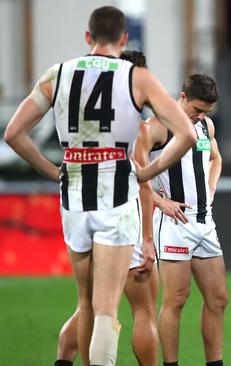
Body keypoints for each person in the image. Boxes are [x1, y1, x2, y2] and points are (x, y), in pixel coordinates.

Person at [3, 6, 196, 366]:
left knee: (85, 302)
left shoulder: (57, 74)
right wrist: (146, 171)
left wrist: (51, 170)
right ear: (124, 39)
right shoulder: (135, 77)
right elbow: (185, 132)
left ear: (87, 37)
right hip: (115, 191)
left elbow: (14, 134)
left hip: (73, 192)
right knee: (108, 307)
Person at [55, 50, 159, 366]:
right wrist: (146, 237)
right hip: (123, 221)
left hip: (83, 211)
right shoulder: (135, 127)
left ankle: (63, 360)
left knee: (87, 305)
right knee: (142, 311)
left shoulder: (90, 123)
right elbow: (142, 182)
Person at [134, 74, 226, 366]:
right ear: (182, 97)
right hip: (173, 225)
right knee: (176, 300)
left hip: (204, 221)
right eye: (197, 109)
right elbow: (134, 173)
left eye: (206, 112)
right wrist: (161, 202)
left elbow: (215, 158)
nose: (200, 116)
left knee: (218, 298)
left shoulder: (205, 126)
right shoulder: (157, 127)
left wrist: (211, 188)